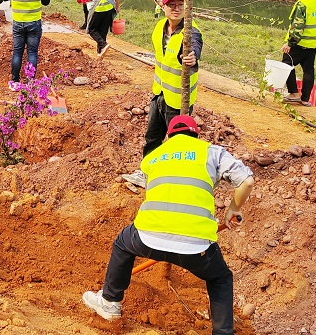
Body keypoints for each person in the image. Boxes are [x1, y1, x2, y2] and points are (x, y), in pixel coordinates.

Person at [82, 114, 254, 333]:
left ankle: (109, 301)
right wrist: (233, 209)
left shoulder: (153, 157)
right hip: (196, 247)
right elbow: (247, 181)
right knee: (220, 278)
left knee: (122, 244)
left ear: (169, 136)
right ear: (196, 134)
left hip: (146, 238)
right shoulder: (211, 152)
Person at [122, 0, 203, 189]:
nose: (176, 9)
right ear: (163, 6)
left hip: (177, 100)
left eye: (180, 5)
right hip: (159, 93)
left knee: (178, 143)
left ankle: (178, 183)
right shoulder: (160, 27)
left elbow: (193, 50)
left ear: (187, 8)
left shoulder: (191, 32)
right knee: (152, 136)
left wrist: (191, 59)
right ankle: (147, 173)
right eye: (171, 5)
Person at [2, 0, 50, 88]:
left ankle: (15, 82)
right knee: (32, 53)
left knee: (17, 52)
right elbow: (46, 1)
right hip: (33, 22)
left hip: (17, 21)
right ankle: (30, 83)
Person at [280, 0, 316, 106]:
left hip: (300, 43)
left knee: (286, 64)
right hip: (313, 43)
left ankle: (293, 93)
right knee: (308, 70)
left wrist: (289, 43)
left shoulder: (301, 5)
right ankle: (305, 99)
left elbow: (297, 27)